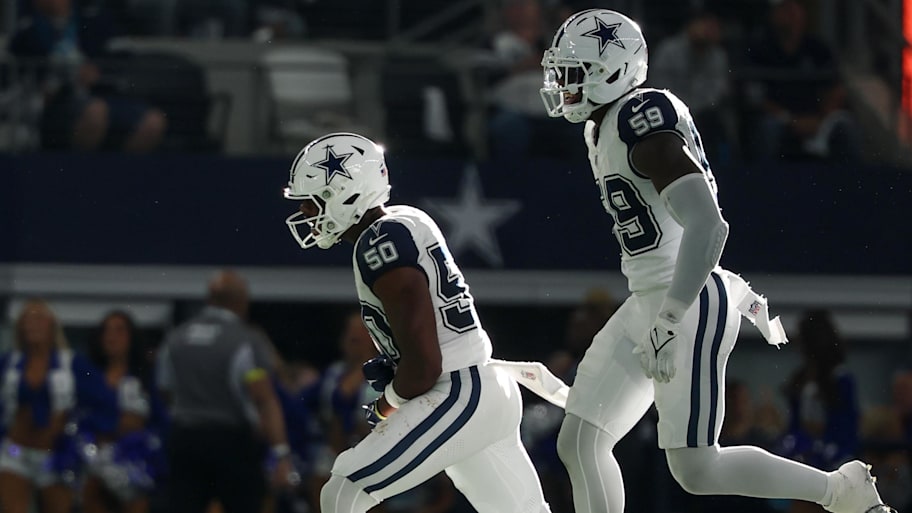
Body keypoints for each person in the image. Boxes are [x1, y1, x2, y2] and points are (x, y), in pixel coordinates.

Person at [539, 8, 893, 513]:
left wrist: (669, 318)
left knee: (697, 469)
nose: (562, 86)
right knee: (579, 440)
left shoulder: (640, 118)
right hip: (649, 297)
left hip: (687, 300)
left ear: (611, 72)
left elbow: (709, 225)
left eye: (573, 74)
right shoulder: (603, 126)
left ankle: (841, 492)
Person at [282, 132, 551, 513]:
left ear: (344, 194)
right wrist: (397, 364)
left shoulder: (379, 243)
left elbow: (425, 365)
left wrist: (386, 403)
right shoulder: (404, 220)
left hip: (458, 390)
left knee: (344, 491)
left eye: (312, 201)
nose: (306, 213)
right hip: (480, 386)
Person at [156, 270, 294, 513]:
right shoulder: (246, 340)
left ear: (210, 298)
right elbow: (262, 398)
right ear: (242, 301)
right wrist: (281, 453)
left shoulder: (176, 339)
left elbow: (165, 390)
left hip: (185, 440)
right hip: (231, 443)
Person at [0, 299, 116, 513]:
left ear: (52, 325)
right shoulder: (9, 362)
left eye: (39, 318)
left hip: (54, 456)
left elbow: (105, 401)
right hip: (14, 452)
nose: (32, 325)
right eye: (27, 319)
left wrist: (80, 429)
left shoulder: (71, 363)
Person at [8, 0, 167, 152]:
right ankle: (80, 169)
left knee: (153, 122)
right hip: (59, 103)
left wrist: (97, 71)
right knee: (96, 113)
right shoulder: (27, 30)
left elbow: (120, 57)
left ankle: (121, 170)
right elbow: (17, 78)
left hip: (104, 94)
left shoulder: (93, 17)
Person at [81, 310, 167, 513]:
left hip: (135, 460)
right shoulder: (88, 375)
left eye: (119, 330)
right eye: (107, 331)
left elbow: (160, 418)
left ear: (131, 337)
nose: (112, 336)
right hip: (93, 458)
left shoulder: (146, 376)